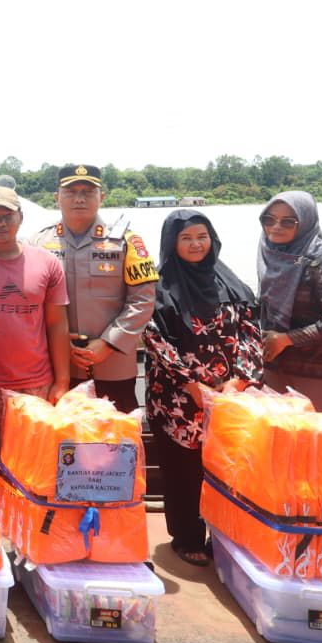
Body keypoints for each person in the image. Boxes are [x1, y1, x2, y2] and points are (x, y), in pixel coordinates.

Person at [142, 209, 263, 566]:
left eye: (202, 236)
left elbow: (250, 331)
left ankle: (222, 537)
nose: (196, 244)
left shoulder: (229, 281)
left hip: (230, 395)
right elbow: (154, 338)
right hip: (177, 398)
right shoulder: (156, 285)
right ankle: (187, 536)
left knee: (227, 468)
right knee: (183, 470)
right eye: (186, 238)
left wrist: (239, 379)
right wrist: (191, 384)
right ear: (171, 243)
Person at [30, 165, 158, 413]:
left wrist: (109, 343)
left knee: (117, 443)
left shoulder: (127, 242)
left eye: (88, 191)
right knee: (63, 442)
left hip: (113, 366)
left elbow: (142, 300)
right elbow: (29, 304)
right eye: (70, 191)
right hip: (58, 368)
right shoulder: (37, 243)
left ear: (102, 196)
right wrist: (56, 344)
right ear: (56, 197)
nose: (79, 198)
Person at [0, 186, 71, 452]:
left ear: (20, 216)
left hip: (36, 387)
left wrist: (61, 381)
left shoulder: (48, 262)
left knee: (31, 471)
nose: (0, 223)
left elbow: (57, 324)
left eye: (7, 215)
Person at [257, 191, 322, 412]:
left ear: (305, 222)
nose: (276, 227)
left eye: (288, 221)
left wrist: (287, 340)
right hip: (280, 374)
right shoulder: (270, 256)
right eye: (269, 219)